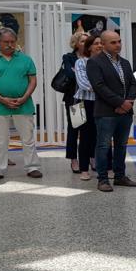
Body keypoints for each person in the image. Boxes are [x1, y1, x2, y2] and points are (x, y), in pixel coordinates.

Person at [0, 28, 42, 182]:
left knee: (28, 138)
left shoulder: (26, 59)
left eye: (12, 42)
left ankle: (32, 167)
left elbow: (32, 81)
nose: (10, 45)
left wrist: (25, 97)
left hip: (24, 104)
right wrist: (1, 99)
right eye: (6, 42)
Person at [86, 30, 136, 192]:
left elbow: (133, 84)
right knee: (103, 146)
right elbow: (99, 87)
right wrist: (120, 102)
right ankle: (102, 179)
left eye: (119, 41)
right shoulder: (95, 62)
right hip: (106, 112)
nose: (118, 45)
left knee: (121, 145)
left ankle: (120, 176)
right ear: (102, 44)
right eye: (113, 42)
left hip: (125, 111)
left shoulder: (124, 62)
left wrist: (128, 102)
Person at [73, 32, 111, 181]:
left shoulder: (108, 62)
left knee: (106, 136)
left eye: (101, 43)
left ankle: (108, 167)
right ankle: (84, 169)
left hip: (103, 102)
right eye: (96, 43)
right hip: (84, 103)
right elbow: (83, 84)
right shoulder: (81, 62)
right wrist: (104, 89)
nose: (100, 46)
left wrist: (105, 89)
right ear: (88, 47)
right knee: (85, 137)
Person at [62, 32, 86, 173]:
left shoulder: (92, 57)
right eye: (82, 41)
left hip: (91, 99)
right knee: (75, 128)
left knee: (89, 131)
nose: (85, 43)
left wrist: (78, 72)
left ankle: (90, 157)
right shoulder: (69, 57)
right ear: (76, 44)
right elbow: (70, 74)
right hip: (75, 99)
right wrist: (81, 73)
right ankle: (73, 159)